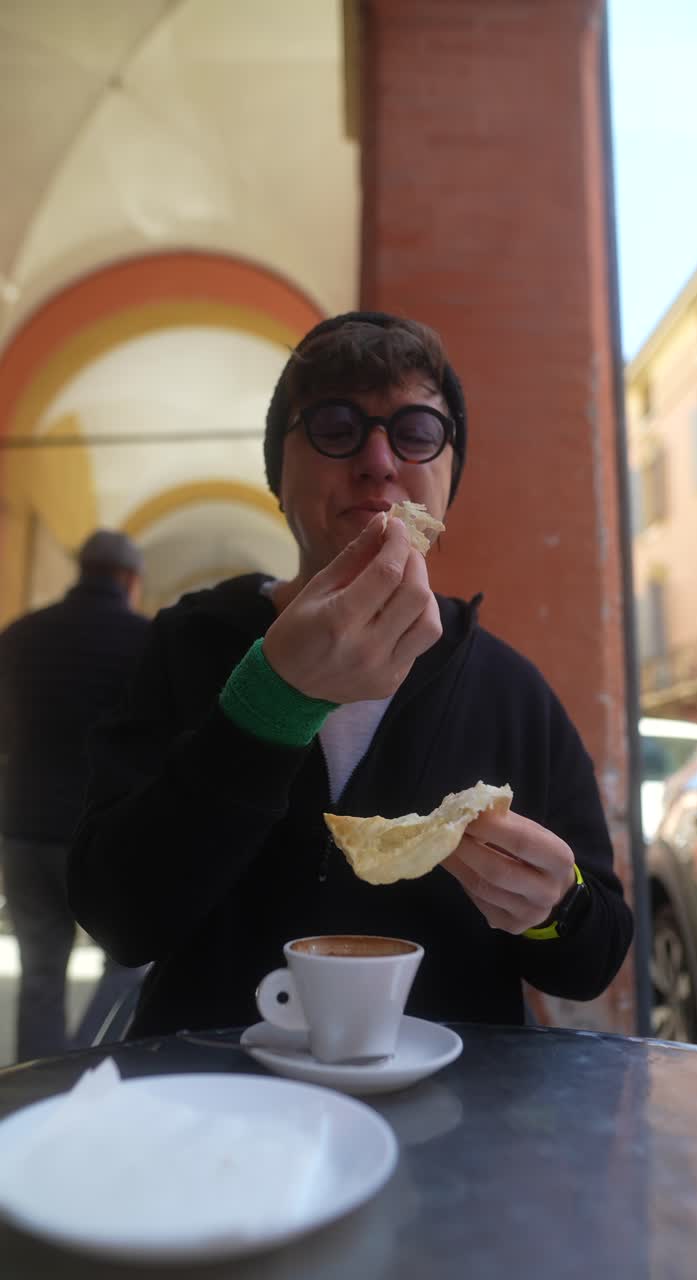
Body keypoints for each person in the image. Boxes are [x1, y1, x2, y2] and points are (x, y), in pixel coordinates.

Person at [68, 313, 633, 1039]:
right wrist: (272, 702)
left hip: (455, 1119)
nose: (377, 461)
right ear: (279, 472)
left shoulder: (510, 689)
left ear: (448, 473)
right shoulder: (186, 646)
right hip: (216, 1104)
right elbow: (119, 920)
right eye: (336, 425)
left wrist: (559, 908)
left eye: (417, 430)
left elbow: (593, 959)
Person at [0, 530, 150, 1059]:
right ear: (130, 580)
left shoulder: (19, 636)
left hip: (21, 826)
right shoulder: (143, 640)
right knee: (127, 960)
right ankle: (83, 1070)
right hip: (98, 833)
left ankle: (37, 1085)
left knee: (40, 968)